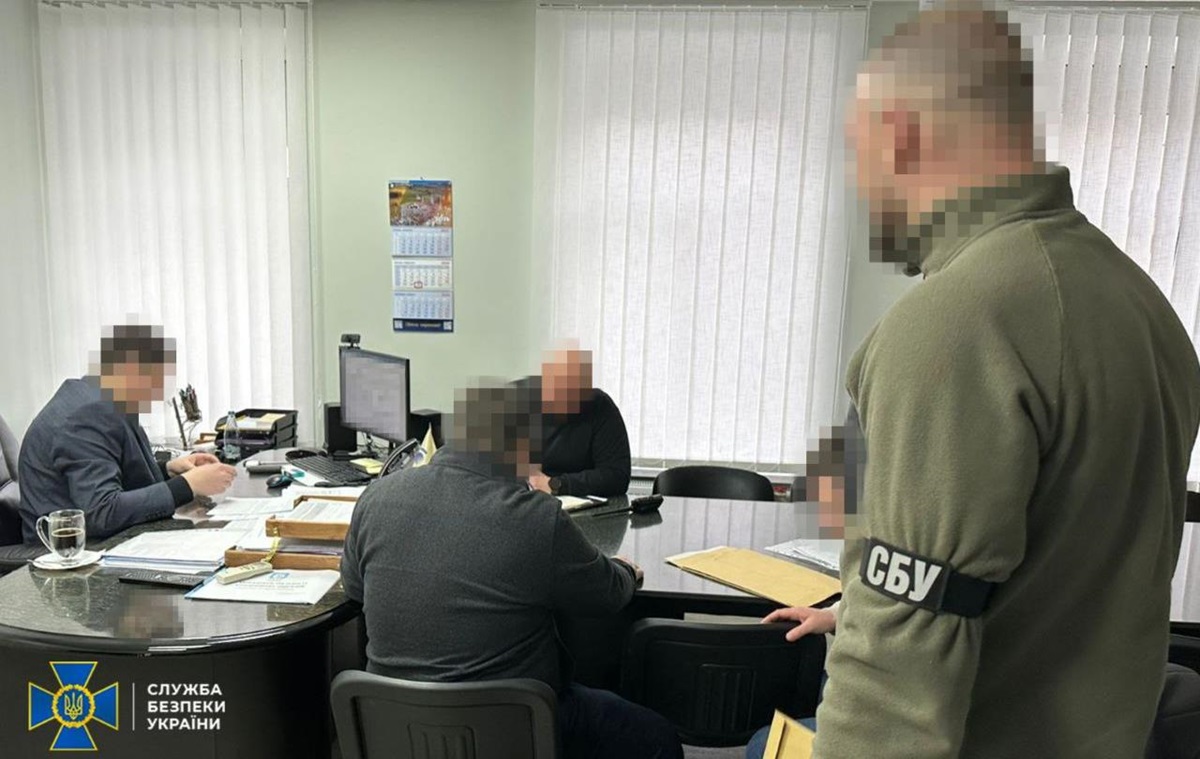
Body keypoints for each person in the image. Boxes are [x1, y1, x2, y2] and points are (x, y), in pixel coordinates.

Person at [808, 3, 1200, 758]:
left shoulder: (955, 326)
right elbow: (1056, 579)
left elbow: (894, 678)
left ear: (901, 134)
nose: (860, 188)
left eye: (858, 157)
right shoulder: (1141, 305)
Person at [341, 380, 683, 759]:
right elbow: (607, 595)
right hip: (512, 727)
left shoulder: (376, 497)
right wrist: (625, 571)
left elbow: (354, 589)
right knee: (658, 738)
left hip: (394, 725)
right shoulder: (537, 518)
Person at [19, 325, 236, 543]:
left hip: (102, 539)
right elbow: (101, 511)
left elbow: (113, 476)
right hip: (68, 552)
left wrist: (169, 470)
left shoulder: (101, 399)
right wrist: (188, 485)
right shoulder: (88, 414)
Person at [519, 345, 632, 497]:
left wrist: (557, 484)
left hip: (582, 503)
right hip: (524, 501)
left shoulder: (599, 406)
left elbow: (617, 477)